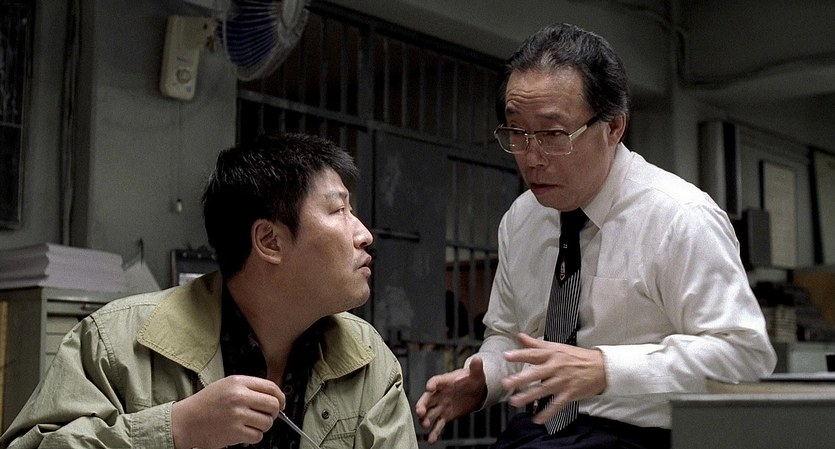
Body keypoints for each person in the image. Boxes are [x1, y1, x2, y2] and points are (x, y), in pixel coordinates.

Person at [415, 23, 776, 449]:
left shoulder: (679, 217)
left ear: (614, 127)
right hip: (538, 429)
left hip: (645, 436)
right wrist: (485, 378)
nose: (532, 158)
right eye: (517, 133)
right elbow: (508, 334)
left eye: (553, 135)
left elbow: (745, 355)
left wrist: (606, 369)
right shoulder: (522, 218)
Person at [1, 132, 419, 449]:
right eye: (339, 209)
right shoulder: (115, 343)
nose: (364, 234)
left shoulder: (370, 362)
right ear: (270, 241)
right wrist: (176, 429)